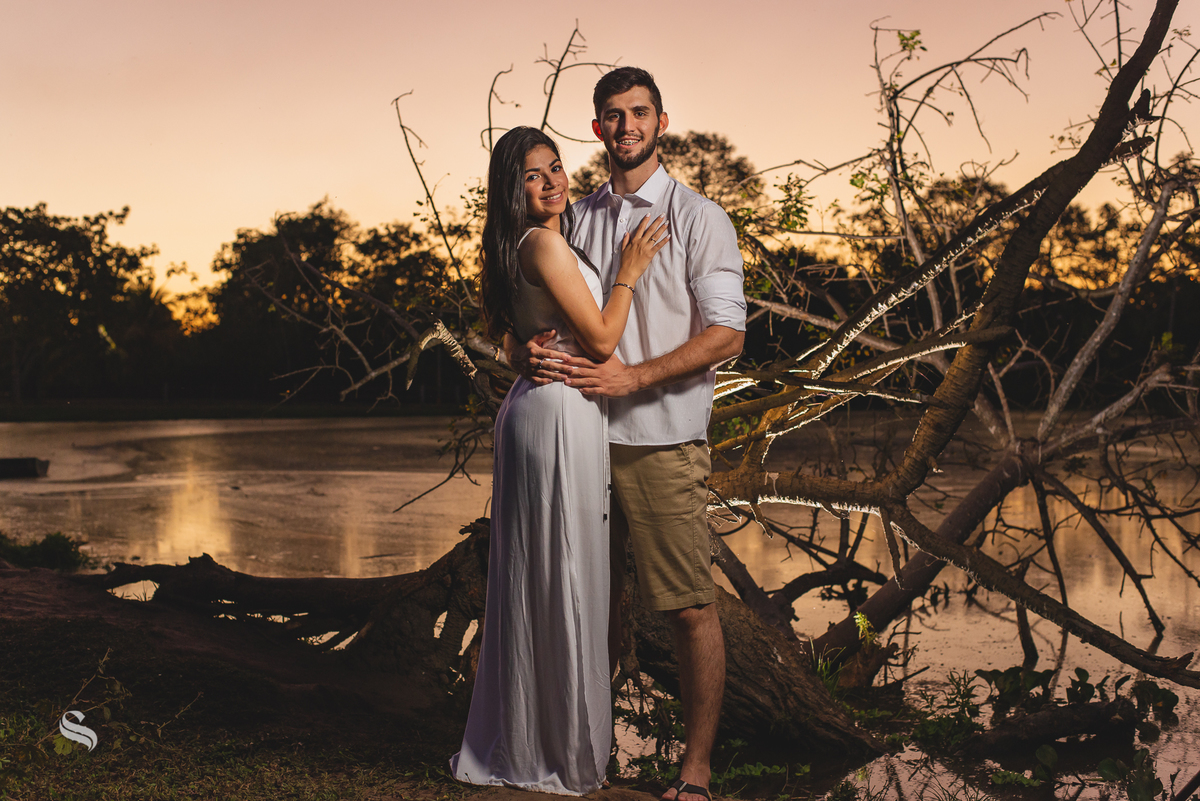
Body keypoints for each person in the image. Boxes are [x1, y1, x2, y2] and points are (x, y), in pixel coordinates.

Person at [513, 67, 747, 801]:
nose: (626, 126)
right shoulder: (574, 217)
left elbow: (728, 335)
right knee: (589, 605)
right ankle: (589, 755)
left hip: (660, 439)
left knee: (685, 605)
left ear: (661, 120)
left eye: (638, 113)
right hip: (576, 439)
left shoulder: (700, 217)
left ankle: (695, 771)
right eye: (612, 115)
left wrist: (633, 377)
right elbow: (530, 303)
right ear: (597, 128)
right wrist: (515, 351)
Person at [450, 126, 668, 796]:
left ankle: (529, 744)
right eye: (532, 177)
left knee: (539, 578)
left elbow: (506, 334)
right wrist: (628, 273)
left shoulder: (520, 245)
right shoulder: (543, 241)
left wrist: (522, 352)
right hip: (556, 414)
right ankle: (562, 756)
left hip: (536, 408)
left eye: (555, 168)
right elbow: (601, 340)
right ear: (512, 190)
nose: (551, 183)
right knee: (564, 575)